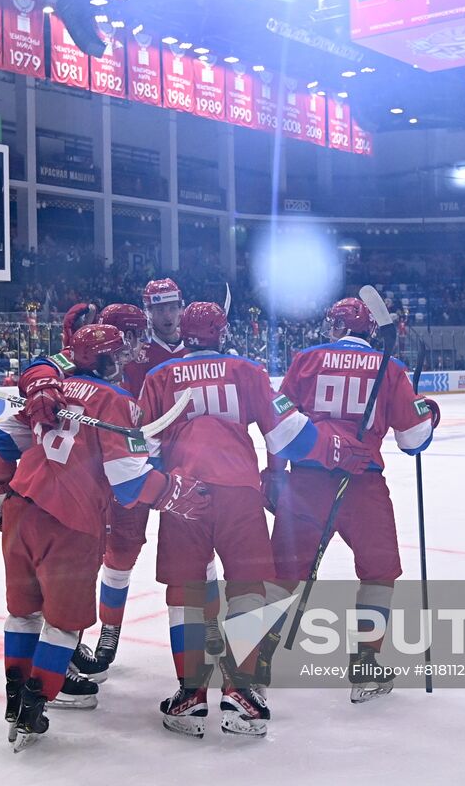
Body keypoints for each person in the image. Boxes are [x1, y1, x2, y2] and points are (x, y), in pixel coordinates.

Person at [137, 302, 379, 739]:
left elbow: (144, 452)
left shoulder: (159, 378)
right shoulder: (246, 371)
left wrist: (160, 493)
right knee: (248, 587)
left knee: (186, 591)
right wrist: (333, 449)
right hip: (239, 491)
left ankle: (190, 696)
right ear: (222, 332)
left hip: (182, 492)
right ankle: (242, 692)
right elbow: (286, 432)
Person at [0, 324, 210, 752]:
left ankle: (15, 700)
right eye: (118, 354)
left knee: (23, 614)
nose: (124, 360)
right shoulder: (116, 400)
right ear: (104, 359)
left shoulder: (47, 391)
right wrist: (175, 494)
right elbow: (127, 482)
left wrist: (0, 490)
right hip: (71, 523)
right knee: (65, 626)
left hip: (20, 510)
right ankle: (36, 704)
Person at [265, 296, 439, 705]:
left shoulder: (305, 359)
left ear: (334, 328)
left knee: (282, 574)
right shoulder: (389, 367)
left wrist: (274, 475)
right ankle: (365, 664)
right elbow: (413, 441)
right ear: (369, 331)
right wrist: (428, 411)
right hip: (364, 484)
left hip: (306, 481)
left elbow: (277, 424)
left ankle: (252, 662)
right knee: (379, 572)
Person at [92, 281, 204, 669]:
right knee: (121, 551)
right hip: (133, 464)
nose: (167, 315)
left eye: (172, 306)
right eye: (159, 309)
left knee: (199, 548)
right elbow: (71, 367)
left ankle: (206, 631)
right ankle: (109, 633)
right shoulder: (125, 349)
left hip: (185, 463)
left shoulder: (198, 348)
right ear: (148, 311)